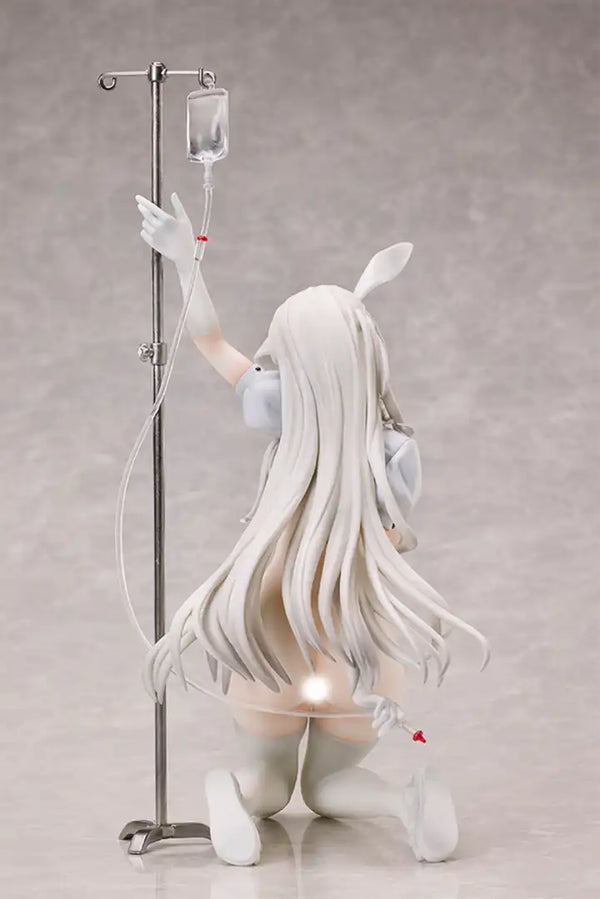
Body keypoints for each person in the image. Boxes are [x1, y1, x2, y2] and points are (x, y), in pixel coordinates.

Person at [135, 192, 490, 866]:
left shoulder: (279, 406)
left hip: (275, 642)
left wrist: (186, 260)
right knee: (329, 786)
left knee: (267, 785)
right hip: (357, 655)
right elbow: (390, 542)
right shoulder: (396, 453)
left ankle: (231, 794)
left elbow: (211, 342)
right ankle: (405, 801)